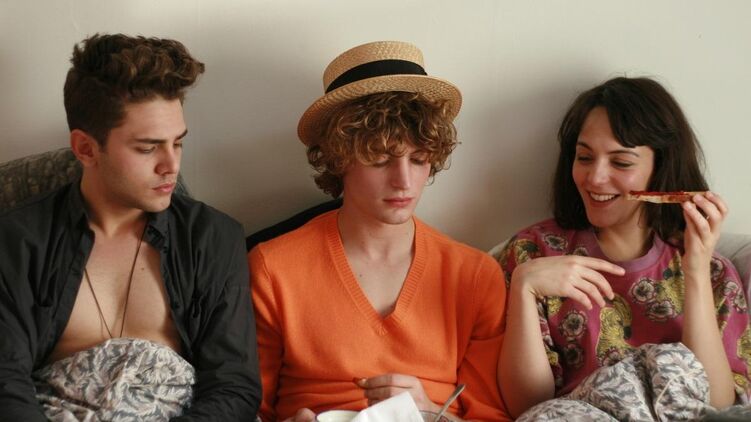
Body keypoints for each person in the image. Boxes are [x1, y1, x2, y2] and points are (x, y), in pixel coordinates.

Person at [0, 34, 261, 420]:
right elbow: (6, 381)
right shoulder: (18, 241)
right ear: (86, 148)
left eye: (178, 143)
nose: (171, 165)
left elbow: (234, 385)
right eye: (147, 148)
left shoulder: (212, 238)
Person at [249, 41, 510, 422]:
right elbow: (246, 406)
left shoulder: (475, 275)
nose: (404, 181)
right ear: (339, 158)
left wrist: (433, 414)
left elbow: (493, 415)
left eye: (418, 159)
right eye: (380, 159)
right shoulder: (274, 268)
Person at [496, 76, 751, 419]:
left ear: (660, 168)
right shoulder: (533, 253)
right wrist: (524, 288)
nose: (595, 178)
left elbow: (717, 408)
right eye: (584, 157)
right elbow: (526, 407)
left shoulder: (714, 272)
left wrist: (695, 271)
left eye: (621, 163)